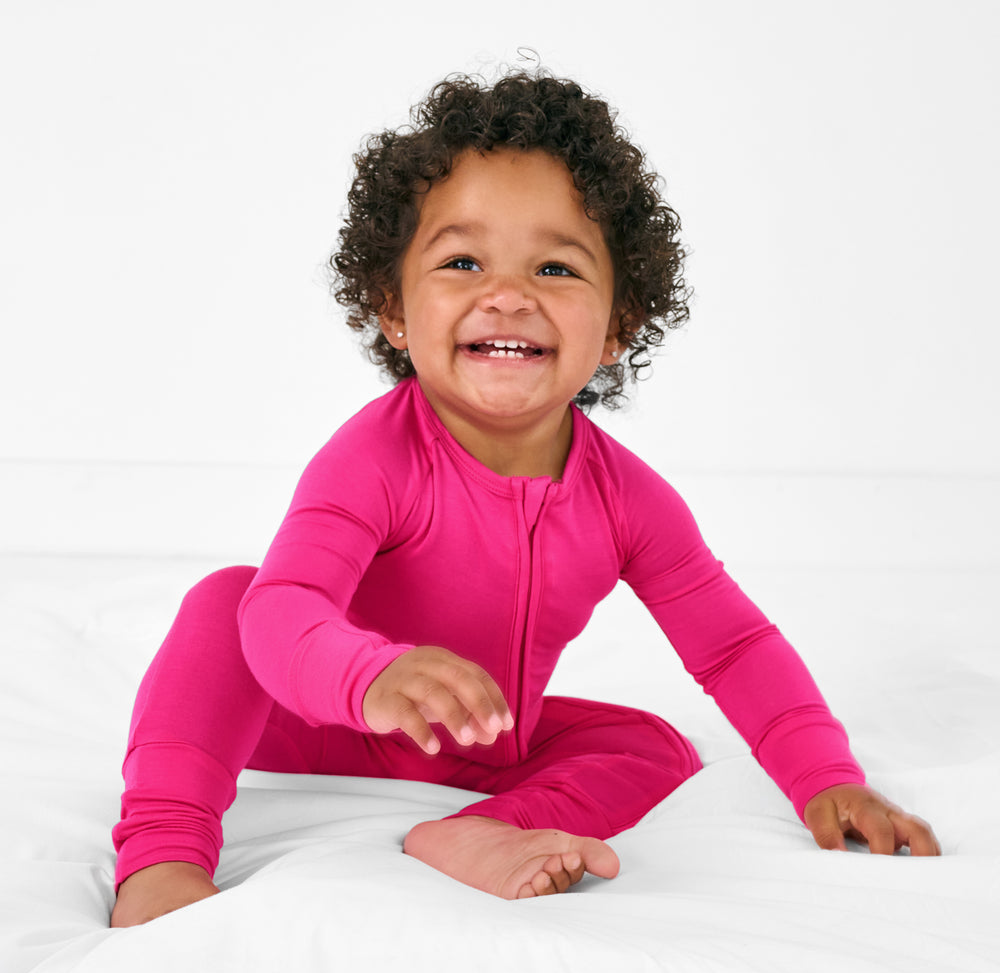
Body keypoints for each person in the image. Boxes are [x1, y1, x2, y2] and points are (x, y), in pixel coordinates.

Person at [110, 70, 940, 928]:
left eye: (554, 266)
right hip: (313, 724)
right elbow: (288, 612)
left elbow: (733, 647)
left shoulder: (628, 499)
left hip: (484, 745)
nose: (507, 294)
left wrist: (827, 777)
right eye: (462, 262)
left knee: (654, 745)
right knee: (231, 603)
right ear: (394, 310)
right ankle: (163, 856)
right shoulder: (375, 458)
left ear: (618, 325)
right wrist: (373, 675)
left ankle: (487, 830)